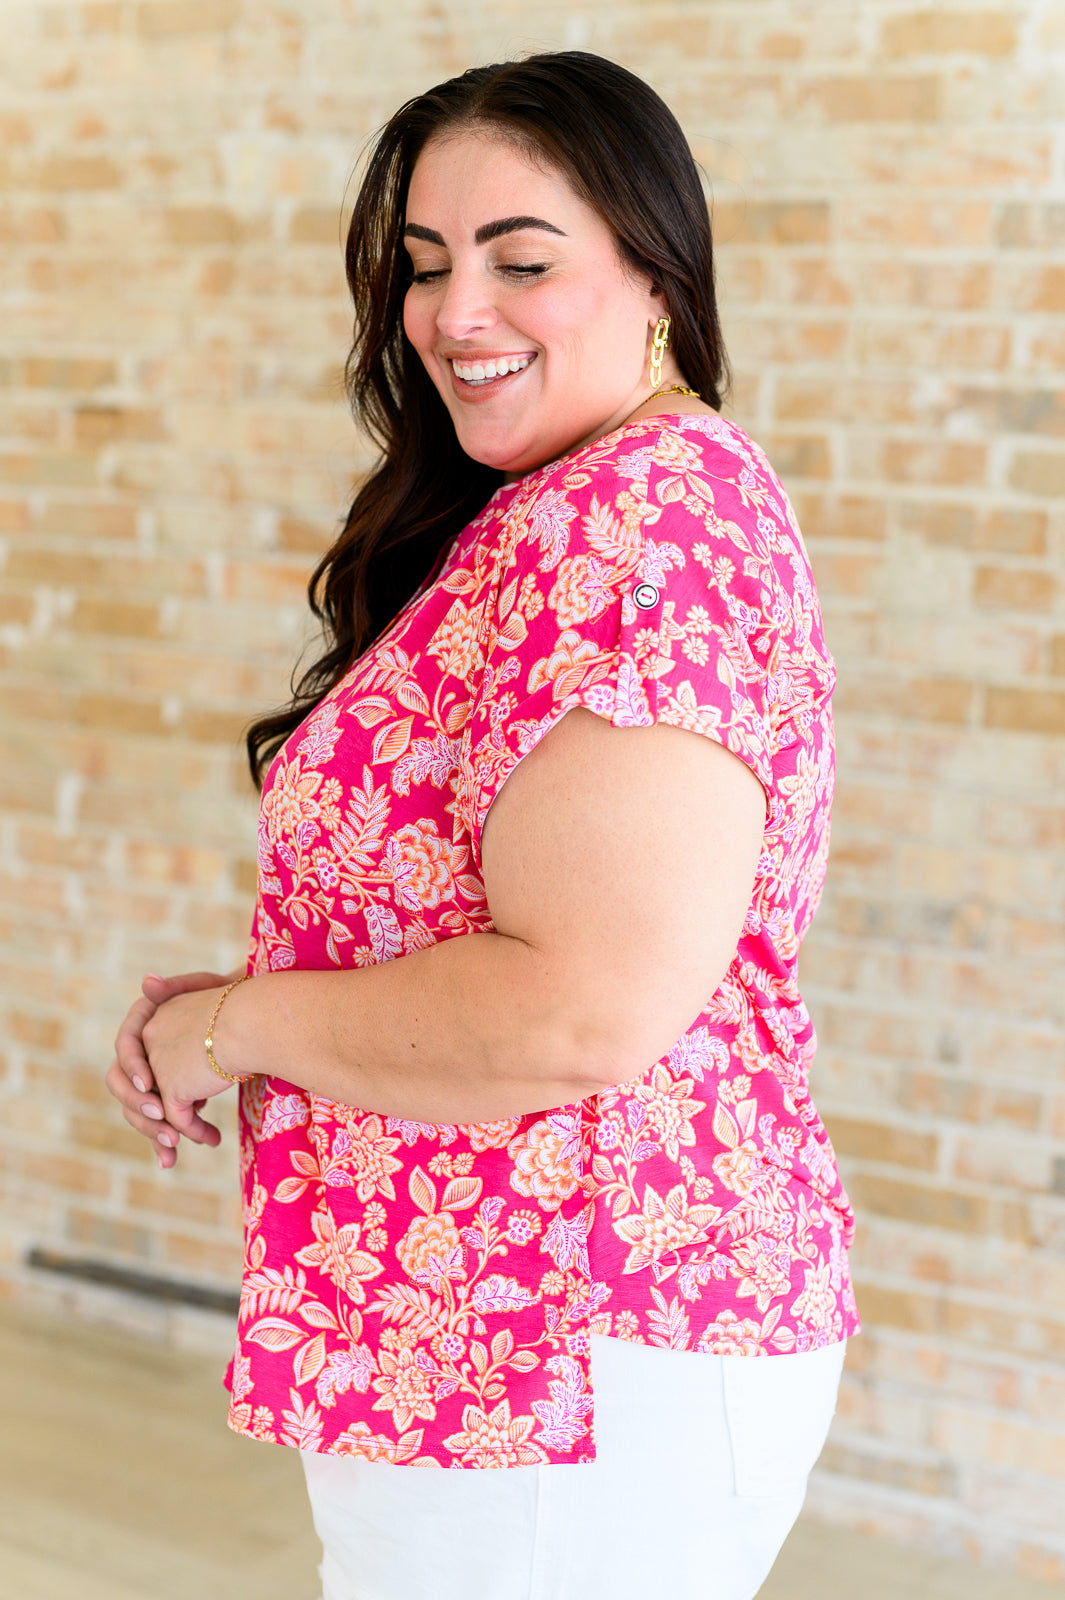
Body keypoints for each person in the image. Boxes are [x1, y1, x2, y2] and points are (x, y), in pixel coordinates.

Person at [107, 50, 859, 1600]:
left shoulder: (644, 522)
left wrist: (237, 1029)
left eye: (521, 261)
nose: (455, 313)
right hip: (485, 1329)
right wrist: (256, 1000)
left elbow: (576, 1008)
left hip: (572, 1345)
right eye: (424, 263)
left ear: (656, 275)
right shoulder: (564, 503)